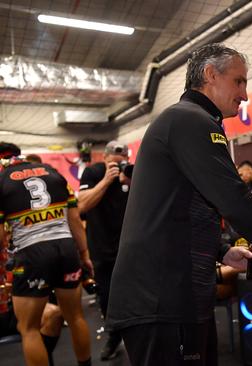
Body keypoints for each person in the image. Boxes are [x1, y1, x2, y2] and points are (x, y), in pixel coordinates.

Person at [106, 44, 252, 366]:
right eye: (239, 81)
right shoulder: (189, 120)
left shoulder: (191, 121)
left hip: (178, 296)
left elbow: (178, 207)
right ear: (210, 74)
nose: (244, 94)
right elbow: (238, 205)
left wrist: (220, 251)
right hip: (162, 299)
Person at [0, 142, 93, 366]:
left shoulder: (2, 180)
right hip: (66, 249)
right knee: (76, 316)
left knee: (28, 328)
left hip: (32, 254)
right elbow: (75, 221)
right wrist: (85, 255)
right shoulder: (53, 173)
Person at [77, 140, 131, 360]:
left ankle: (135, 337)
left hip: (129, 248)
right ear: (106, 158)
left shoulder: (132, 172)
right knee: (108, 298)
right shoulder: (93, 172)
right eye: (115, 162)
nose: (119, 166)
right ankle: (114, 336)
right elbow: (82, 205)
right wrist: (107, 180)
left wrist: (130, 180)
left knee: (137, 296)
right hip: (102, 249)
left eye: (123, 161)